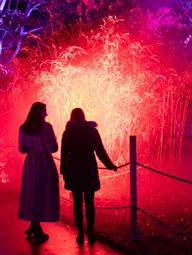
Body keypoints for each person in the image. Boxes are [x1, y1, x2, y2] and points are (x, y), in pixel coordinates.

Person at [60, 108, 118, 245]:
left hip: (74, 170)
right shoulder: (92, 131)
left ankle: (80, 232)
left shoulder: (68, 132)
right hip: (88, 169)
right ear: (83, 117)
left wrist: (64, 171)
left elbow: (64, 154)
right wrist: (110, 165)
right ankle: (91, 232)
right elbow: (100, 150)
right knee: (90, 203)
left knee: (77, 203)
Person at [18, 102, 60, 243]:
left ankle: (33, 225)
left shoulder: (23, 128)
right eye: (44, 111)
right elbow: (53, 148)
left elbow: (22, 149)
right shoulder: (47, 127)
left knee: (32, 192)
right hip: (44, 163)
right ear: (39, 112)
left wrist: (32, 148)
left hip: (31, 162)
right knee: (43, 192)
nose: (46, 114)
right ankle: (36, 228)